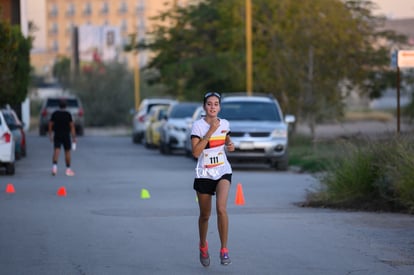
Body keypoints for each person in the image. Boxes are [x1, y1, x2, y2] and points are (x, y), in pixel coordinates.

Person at [191, 91, 235, 267]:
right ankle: (203, 245)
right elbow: (195, 153)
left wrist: (230, 145)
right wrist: (210, 131)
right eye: (209, 104)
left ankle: (224, 250)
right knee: (205, 215)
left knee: (221, 208)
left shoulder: (224, 123)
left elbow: (227, 141)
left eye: (216, 104)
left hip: (223, 171)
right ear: (204, 107)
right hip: (204, 174)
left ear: (220, 107)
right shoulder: (198, 126)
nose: (213, 107)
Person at [48, 99, 77, 176]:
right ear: (66, 106)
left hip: (57, 134)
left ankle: (54, 168)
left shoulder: (55, 114)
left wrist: (50, 134)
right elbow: (72, 126)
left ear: (59, 105)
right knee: (67, 152)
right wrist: (74, 137)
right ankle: (68, 169)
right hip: (66, 135)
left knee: (56, 150)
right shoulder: (68, 114)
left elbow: (50, 124)